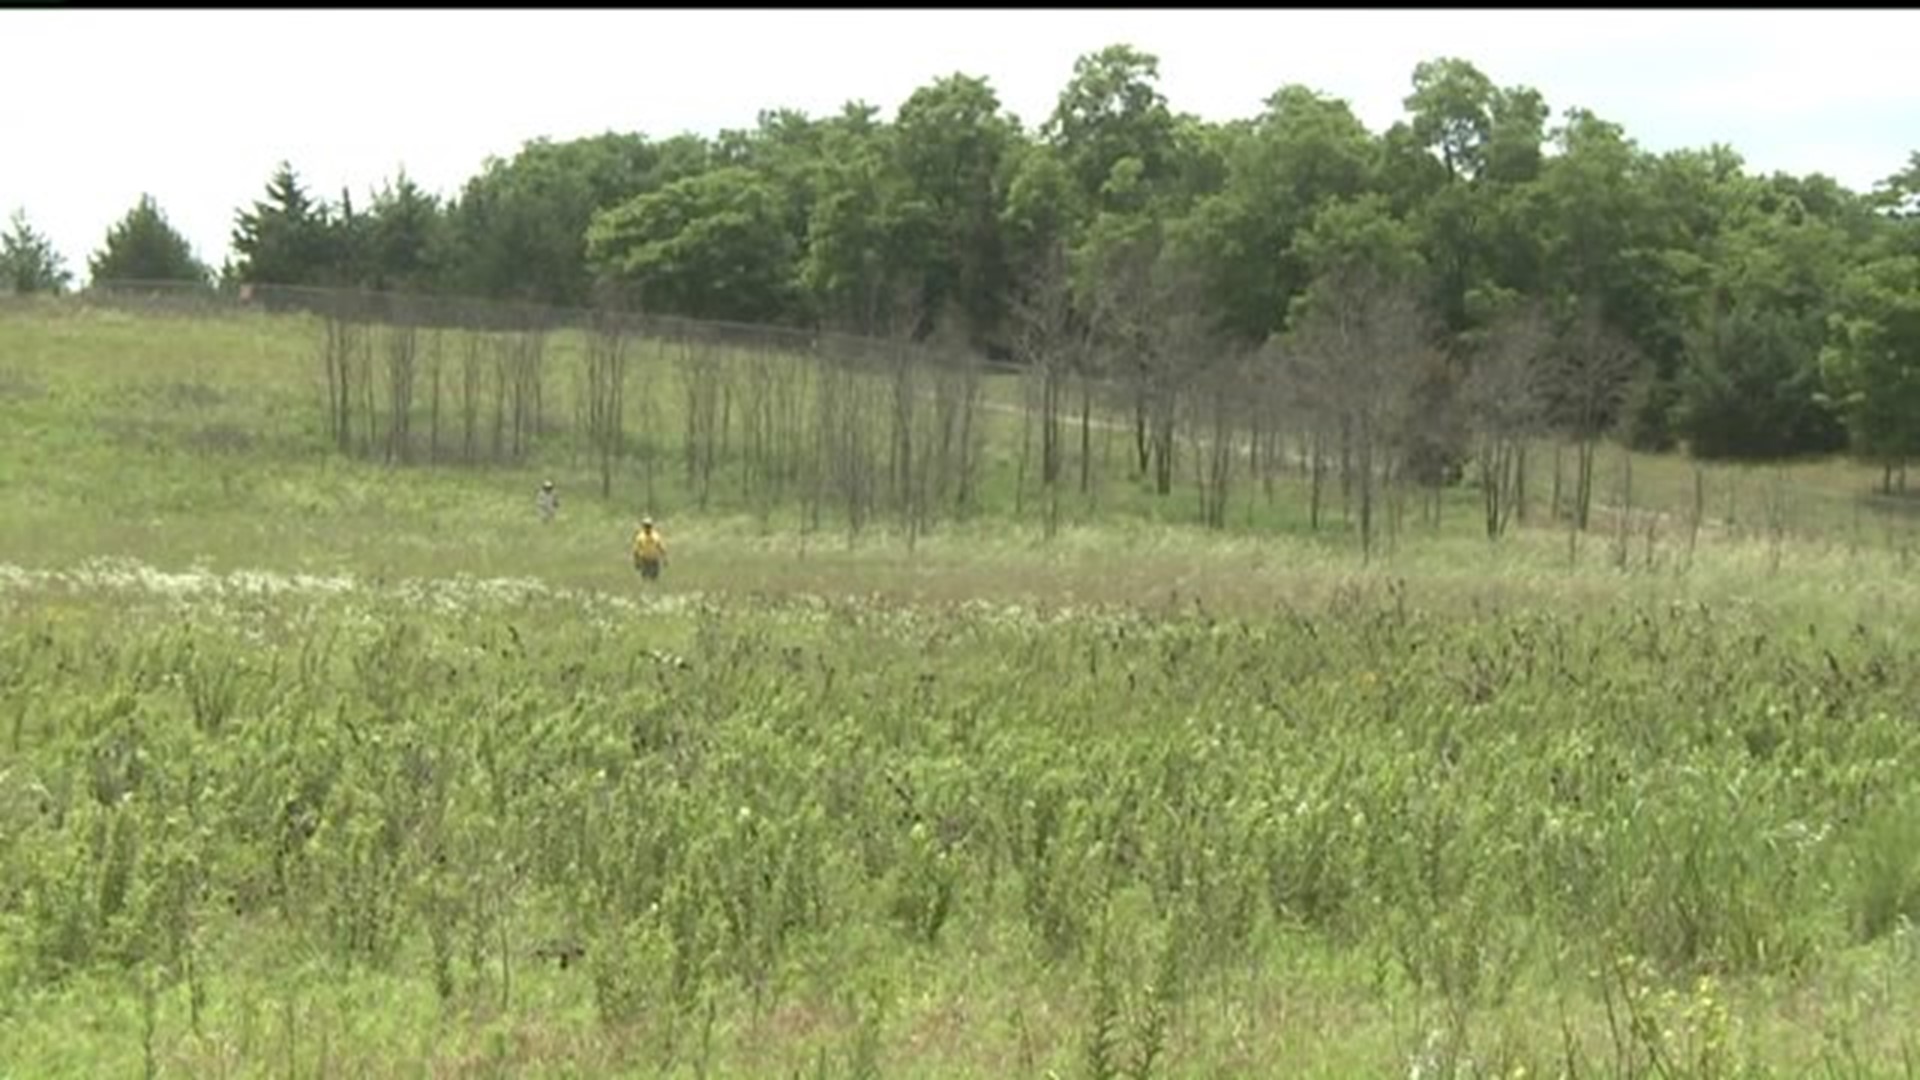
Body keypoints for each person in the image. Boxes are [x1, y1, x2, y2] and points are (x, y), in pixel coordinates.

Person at [632, 516, 668, 581]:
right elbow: (636, 550)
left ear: (651, 526)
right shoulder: (640, 537)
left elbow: (661, 547)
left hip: (654, 560)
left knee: (654, 578)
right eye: (646, 526)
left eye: (649, 526)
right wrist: (636, 561)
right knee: (645, 578)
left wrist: (665, 559)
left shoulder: (656, 536)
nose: (647, 528)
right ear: (643, 526)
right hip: (644, 560)